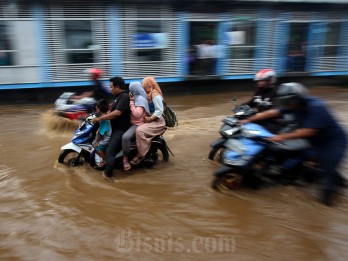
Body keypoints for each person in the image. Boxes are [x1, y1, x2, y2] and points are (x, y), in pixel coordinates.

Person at [240, 82, 347, 206]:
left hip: (332, 142)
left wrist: (281, 137)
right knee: (321, 164)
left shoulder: (316, 106)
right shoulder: (293, 105)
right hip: (315, 140)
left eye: (288, 103)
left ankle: (327, 202)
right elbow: (273, 112)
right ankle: (339, 181)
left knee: (328, 170)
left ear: (297, 99)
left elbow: (309, 131)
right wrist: (249, 119)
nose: (287, 106)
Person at [91, 76, 131, 178]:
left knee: (109, 152)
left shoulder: (124, 97)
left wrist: (100, 119)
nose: (110, 89)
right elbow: (111, 111)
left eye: (111, 87)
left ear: (117, 87)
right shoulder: (118, 97)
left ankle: (108, 176)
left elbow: (117, 113)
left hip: (120, 130)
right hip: (113, 128)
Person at [130, 77, 166, 165]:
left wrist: (149, 119)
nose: (142, 87)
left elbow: (159, 110)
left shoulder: (155, 95)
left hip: (158, 121)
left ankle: (140, 155)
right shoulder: (148, 94)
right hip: (153, 120)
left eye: (143, 85)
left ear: (148, 85)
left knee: (139, 130)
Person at [122, 82, 150, 171]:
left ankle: (125, 159)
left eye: (131, 89)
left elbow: (137, 114)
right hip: (133, 122)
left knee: (125, 137)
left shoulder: (140, 99)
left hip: (138, 124)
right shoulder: (136, 98)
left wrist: (131, 102)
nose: (129, 91)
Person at [92, 99, 112, 168]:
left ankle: (105, 159)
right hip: (104, 135)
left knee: (95, 147)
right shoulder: (104, 116)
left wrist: (97, 142)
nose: (96, 108)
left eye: (97, 107)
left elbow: (101, 133)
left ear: (99, 110)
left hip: (106, 138)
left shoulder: (104, 120)